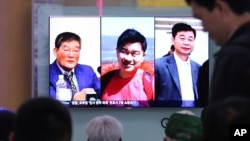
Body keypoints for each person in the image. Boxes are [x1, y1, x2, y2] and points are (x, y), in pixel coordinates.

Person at [185, 0, 250, 104]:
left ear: (219, 8)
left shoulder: (235, 56)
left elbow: (221, 117)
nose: (204, 28)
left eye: (201, 18)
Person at [101, 29, 154, 107]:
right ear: (117, 52)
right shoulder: (104, 81)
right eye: (124, 51)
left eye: (134, 53)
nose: (128, 58)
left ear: (143, 56)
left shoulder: (151, 83)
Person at [155, 23, 200, 107]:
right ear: (173, 40)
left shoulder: (198, 68)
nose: (186, 43)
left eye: (190, 39)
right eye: (182, 38)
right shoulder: (158, 65)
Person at [50, 32, 100, 101]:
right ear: (55, 51)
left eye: (76, 51)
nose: (71, 55)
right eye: (66, 50)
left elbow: (101, 92)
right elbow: (50, 102)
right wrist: (74, 99)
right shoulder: (46, 74)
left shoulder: (88, 71)